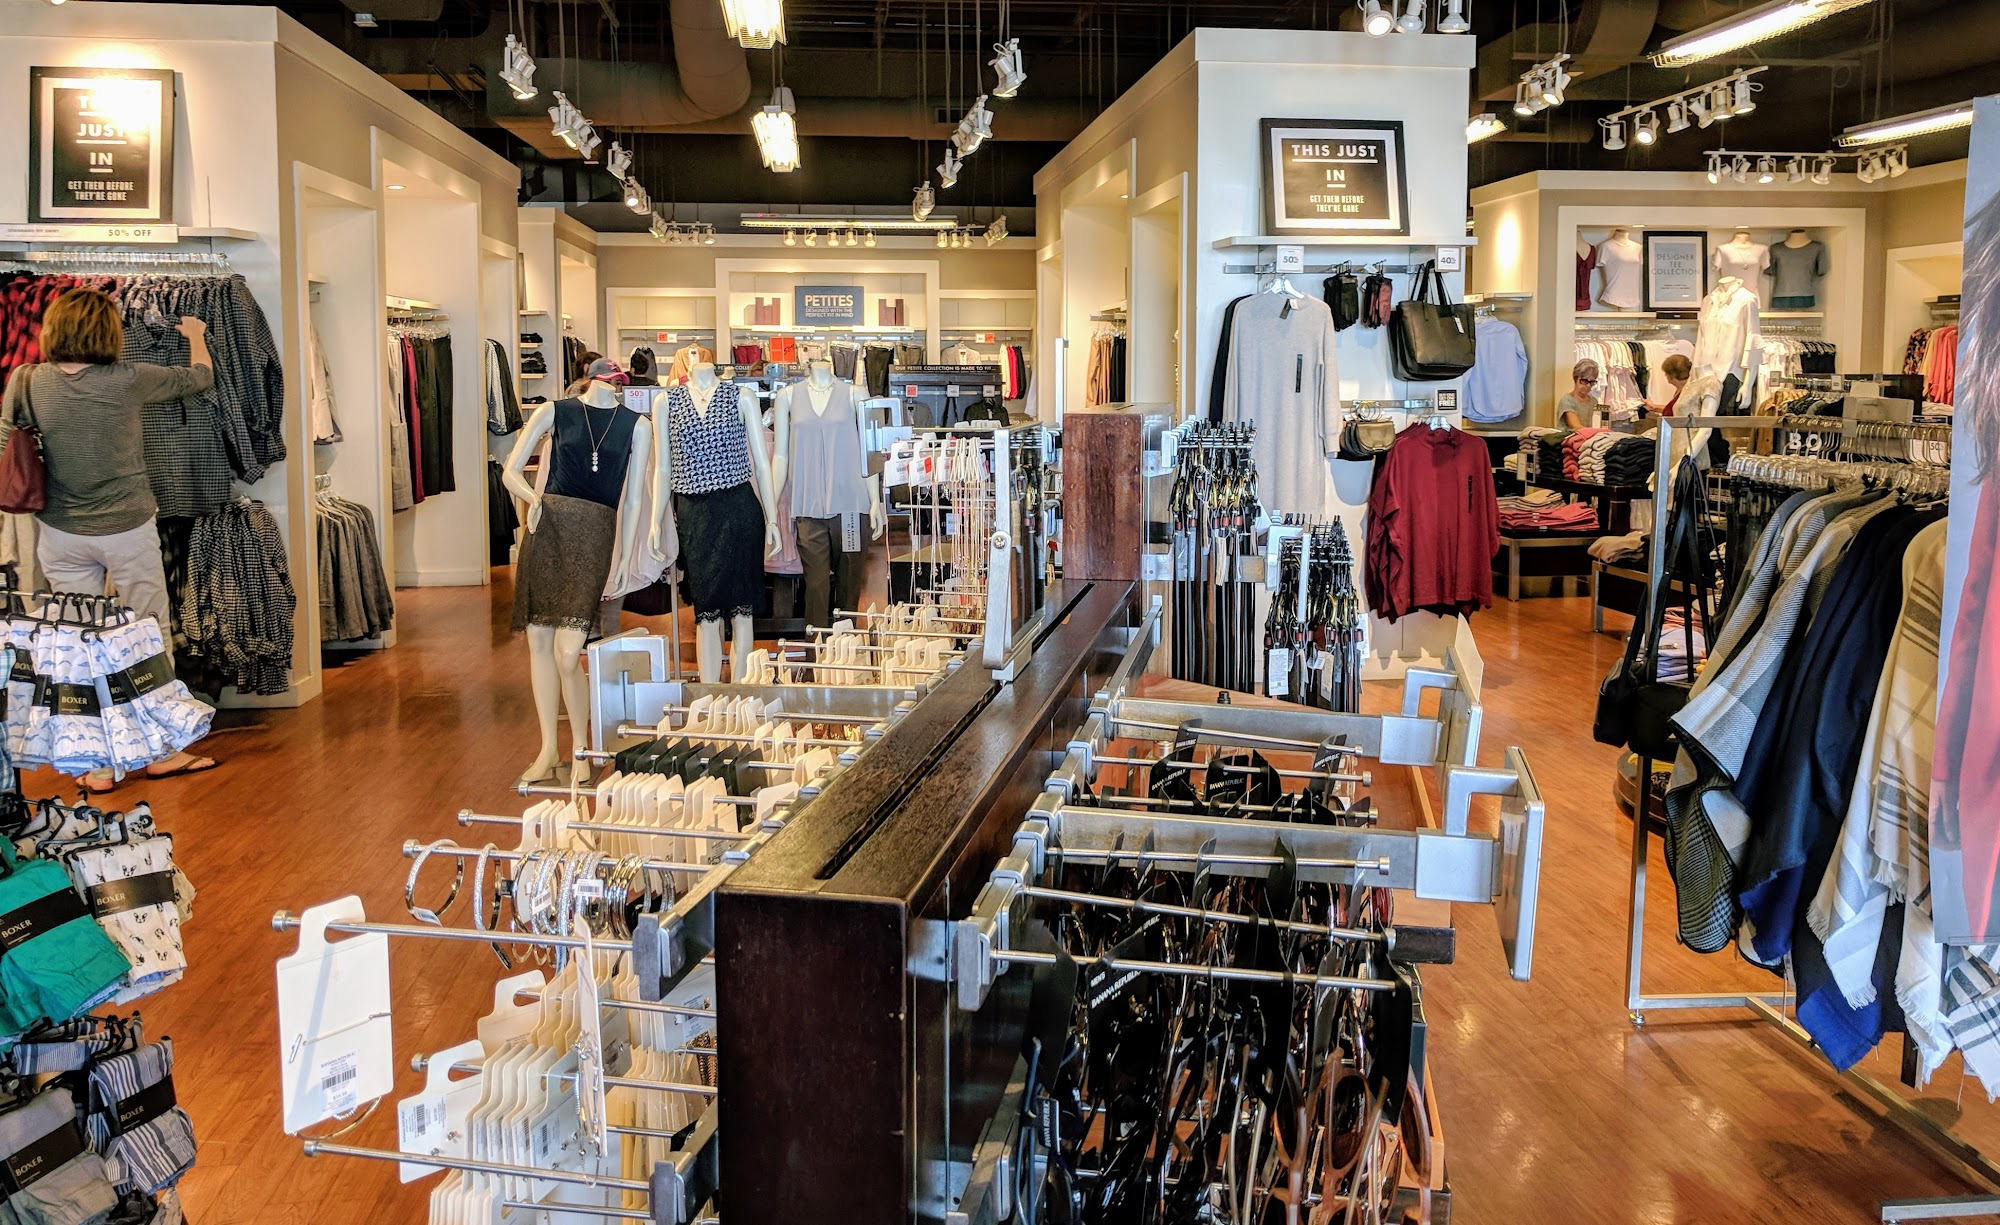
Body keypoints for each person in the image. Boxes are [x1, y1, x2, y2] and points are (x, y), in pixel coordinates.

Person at [0, 288, 220, 788]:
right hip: (127, 527)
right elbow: (199, 378)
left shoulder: (27, 380)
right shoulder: (128, 378)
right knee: (147, 635)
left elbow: (3, 437)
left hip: (61, 530)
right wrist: (195, 335)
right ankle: (163, 752)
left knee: (77, 647)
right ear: (108, 334)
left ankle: (96, 765)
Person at [1558, 359, 1600, 428]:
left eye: (1592, 382)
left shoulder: (1594, 401)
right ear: (1575, 379)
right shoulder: (1567, 400)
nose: (1588, 385)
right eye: (1584, 381)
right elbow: (1575, 425)